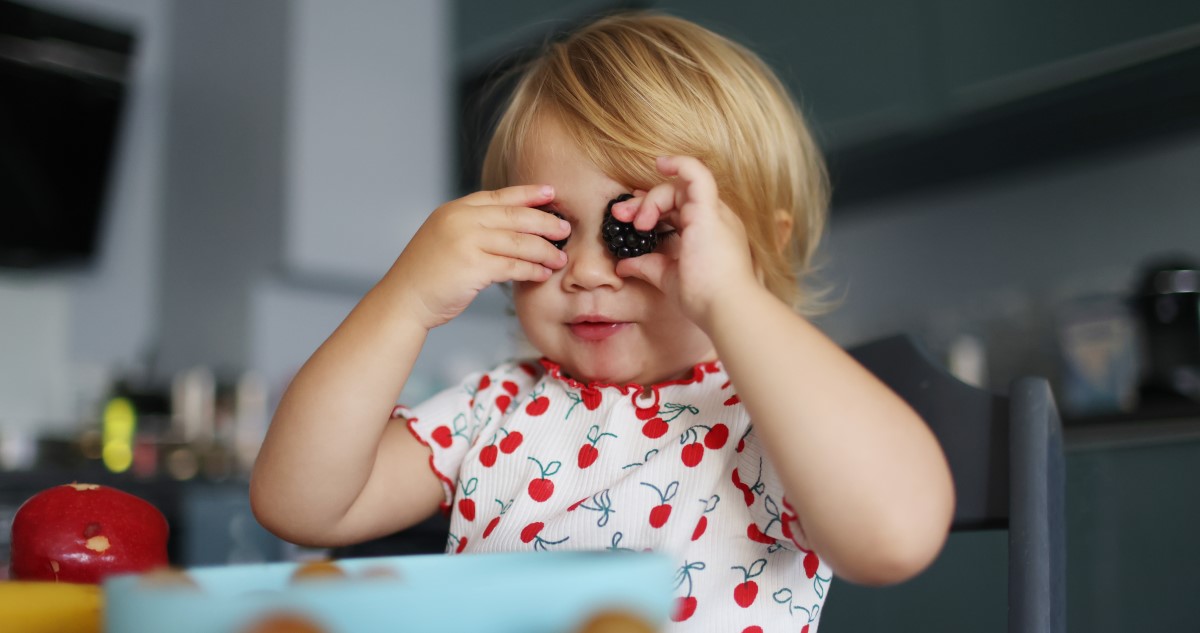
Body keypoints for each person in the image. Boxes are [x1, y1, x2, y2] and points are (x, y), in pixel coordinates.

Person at [250, 11, 954, 632]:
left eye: (639, 232)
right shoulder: (498, 409)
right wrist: (402, 299)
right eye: (552, 234)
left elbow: (894, 535)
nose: (586, 272)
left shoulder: (766, 419)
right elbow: (300, 505)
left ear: (755, 250)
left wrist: (732, 298)